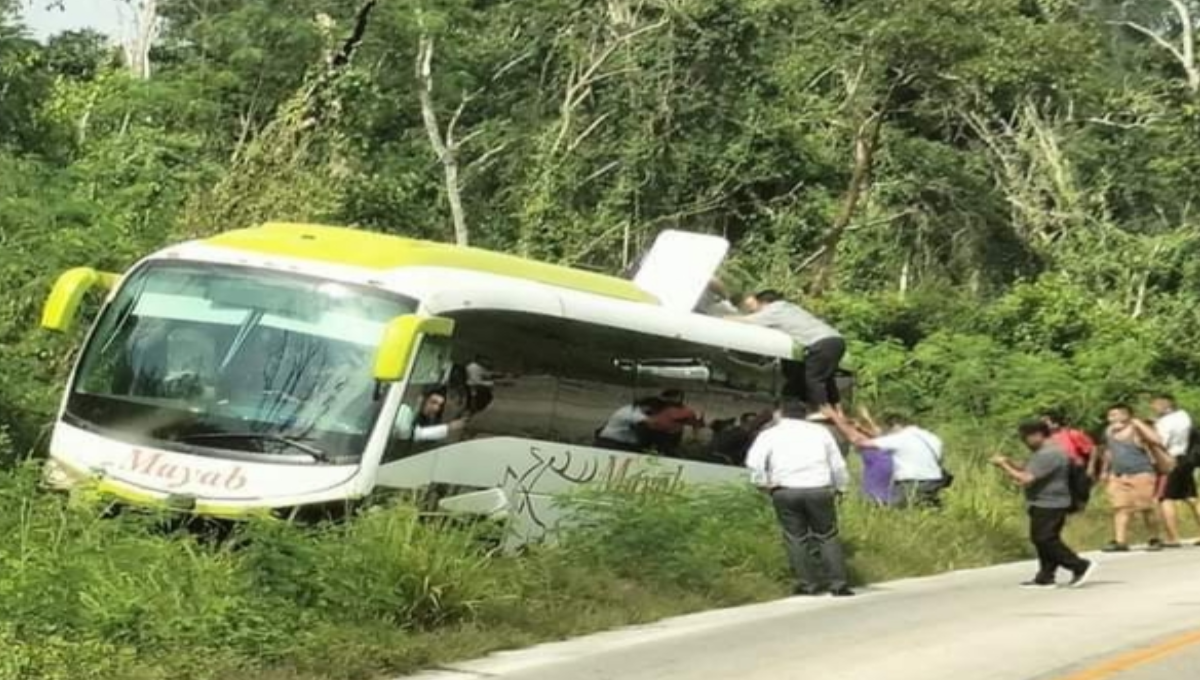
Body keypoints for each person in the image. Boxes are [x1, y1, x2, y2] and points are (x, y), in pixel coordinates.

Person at [746, 401, 853, 597]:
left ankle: (808, 585)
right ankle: (838, 584)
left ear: (781, 414)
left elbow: (755, 462)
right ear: (805, 415)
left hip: (785, 490)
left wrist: (762, 483)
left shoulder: (770, 434)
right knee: (827, 535)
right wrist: (841, 487)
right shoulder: (821, 433)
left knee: (795, 537)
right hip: (819, 489)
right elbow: (837, 464)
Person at [991, 422, 1096, 589]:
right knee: (1042, 540)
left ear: (1038, 435)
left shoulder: (1050, 454)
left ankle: (1078, 565)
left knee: (1045, 539)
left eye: (1026, 438)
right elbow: (1028, 468)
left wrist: (1003, 466)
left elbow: (1026, 478)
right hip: (1043, 501)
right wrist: (1009, 461)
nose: (1025, 442)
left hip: (1051, 503)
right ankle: (1045, 576)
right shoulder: (1043, 453)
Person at [729, 290, 845, 417]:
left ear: (764, 303)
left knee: (813, 379)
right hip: (836, 340)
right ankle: (839, 412)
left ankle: (824, 410)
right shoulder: (790, 308)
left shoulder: (774, 310)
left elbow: (750, 321)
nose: (756, 311)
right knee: (827, 379)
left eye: (756, 307)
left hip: (821, 343)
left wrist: (726, 318)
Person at [827, 409, 945, 508]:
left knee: (891, 509)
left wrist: (835, 418)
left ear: (895, 426)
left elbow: (860, 442)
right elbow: (939, 461)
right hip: (935, 482)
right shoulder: (932, 438)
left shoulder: (900, 438)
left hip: (911, 485)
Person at [1098, 404, 1168, 552]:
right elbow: (1109, 452)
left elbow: (1157, 440)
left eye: (1115, 415)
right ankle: (1120, 541)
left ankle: (1155, 538)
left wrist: (1138, 423)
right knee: (1120, 508)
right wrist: (1104, 470)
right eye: (1110, 415)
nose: (1111, 418)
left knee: (1146, 508)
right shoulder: (1109, 431)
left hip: (1141, 473)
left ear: (1125, 415)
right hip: (1118, 475)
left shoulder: (1136, 430)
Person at [1151, 394, 1199, 547]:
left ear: (1165, 405)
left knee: (1166, 498)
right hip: (1186, 459)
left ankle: (1173, 537)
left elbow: (1161, 442)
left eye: (1156, 404)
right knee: (1191, 497)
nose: (1153, 408)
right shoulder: (1184, 416)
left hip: (1169, 460)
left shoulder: (1164, 422)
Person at [644, 389, 704, 455]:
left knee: (667, 452)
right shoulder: (656, 407)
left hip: (671, 436)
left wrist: (695, 436)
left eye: (675, 397)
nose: (673, 400)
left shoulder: (686, 412)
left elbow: (695, 424)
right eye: (671, 397)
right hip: (654, 434)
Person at [396, 389, 467, 443]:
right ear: (421, 400)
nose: (436, 408)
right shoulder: (404, 411)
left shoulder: (421, 418)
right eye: (433, 402)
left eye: (439, 405)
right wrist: (448, 427)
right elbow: (408, 434)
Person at [595, 397, 661, 452]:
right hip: (611, 443)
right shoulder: (632, 412)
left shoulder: (632, 408)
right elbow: (652, 422)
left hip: (622, 444)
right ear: (647, 407)